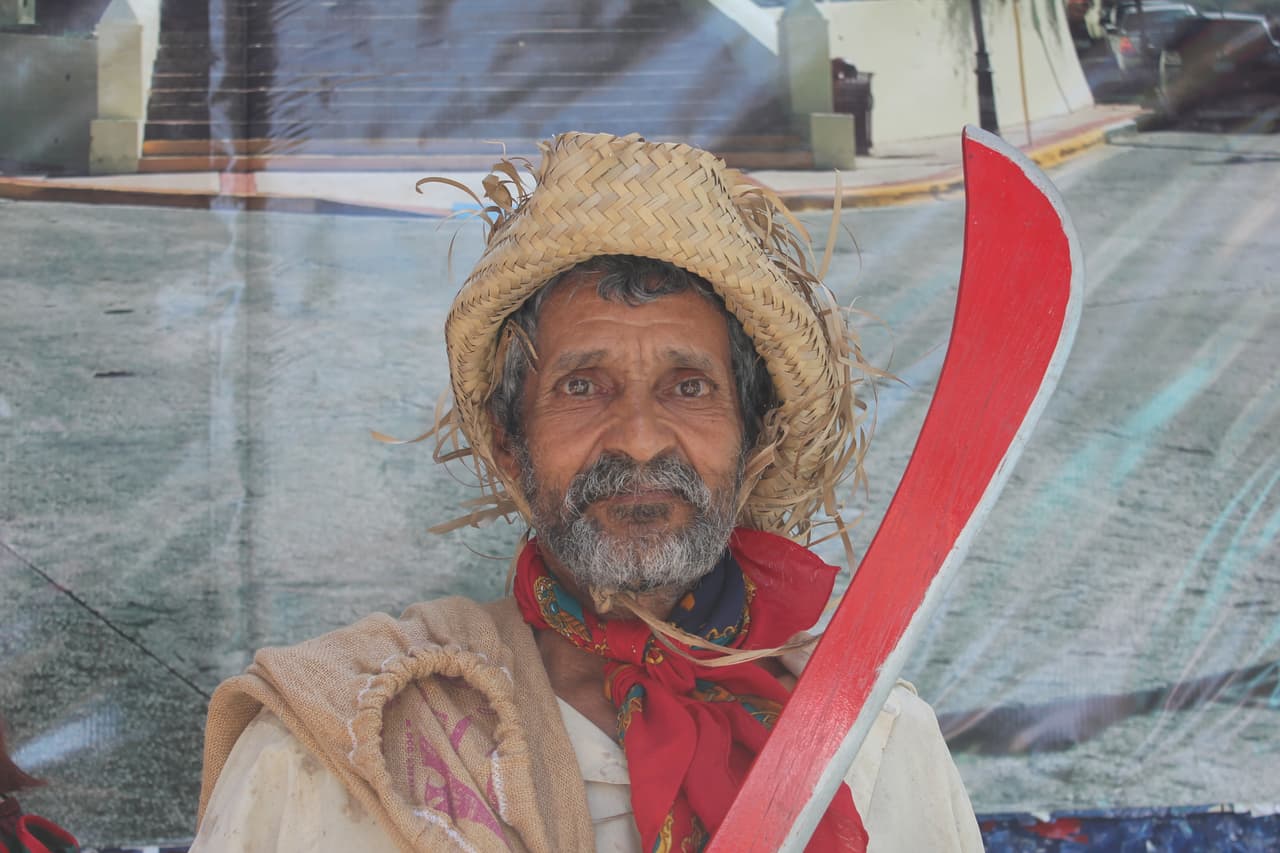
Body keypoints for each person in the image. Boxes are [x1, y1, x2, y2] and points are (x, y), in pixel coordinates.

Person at [192, 132, 982, 852]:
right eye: (581, 385)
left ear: (755, 447)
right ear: (511, 445)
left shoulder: (875, 745)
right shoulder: (336, 750)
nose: (639, 438)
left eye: (687, 385)